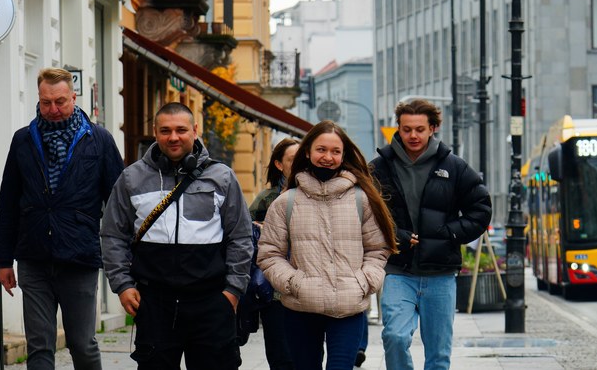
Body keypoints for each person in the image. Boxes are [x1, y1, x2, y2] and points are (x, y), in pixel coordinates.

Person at [101, 102, 253, 369]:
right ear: (155, 132)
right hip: (154, 304)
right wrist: (123, 285)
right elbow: (113, 234)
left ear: (195, 131)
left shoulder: (222, 177)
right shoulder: (131, 178)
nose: (173, 137)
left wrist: (233, 291)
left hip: (211, 303)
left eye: (181, 130)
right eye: (165, 130)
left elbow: (240, 236)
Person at [0, 67, 124, 370]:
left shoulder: (99, 140)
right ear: (38, 100)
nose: (53, 109)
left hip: (79, 257)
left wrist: (123, 258)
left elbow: (119, 205)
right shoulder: (23, 140)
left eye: (60, 102)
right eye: (46, 102)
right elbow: (8, 202)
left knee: (83, 344)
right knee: (39, 347)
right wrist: (3, 259)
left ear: (73, 98)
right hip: (33, 257)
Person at [257, 121, 397, 370]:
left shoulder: (361, 199)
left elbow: (378, 249)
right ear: (308, 152)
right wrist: (293, 283)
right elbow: (269, 254)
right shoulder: (285, 202)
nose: (328, 157)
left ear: (344, 156)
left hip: (348, 307)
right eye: (321, 150)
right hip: (300, 307)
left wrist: (363, 282)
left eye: (335, 151)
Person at [370, 100, 491, 370]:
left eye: (420, 129)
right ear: (398, 129)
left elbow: (480, 210)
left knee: (438, 354)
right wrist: (393, 235)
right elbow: (366, 215)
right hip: (398, 269)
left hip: (441, 272)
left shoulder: (455, 166)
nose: (413, 135)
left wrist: (447, 233)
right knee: (395, 336)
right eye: (407, 129)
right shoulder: (379, 167)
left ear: (433, 128)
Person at [247, 137, 300, 370]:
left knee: (308, 357)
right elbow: (244, 232)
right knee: (280, 357)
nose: (299, 164)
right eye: (292, 160)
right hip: (275, 291)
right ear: (279, 165)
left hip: (309, 290)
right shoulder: (266, 199)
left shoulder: (319, 195)